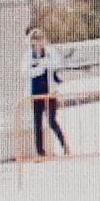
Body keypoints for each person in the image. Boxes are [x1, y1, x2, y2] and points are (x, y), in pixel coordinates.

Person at [23, 27, 69, 157]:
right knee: (37, 122)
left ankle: (65, 146)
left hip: (50, 91)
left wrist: (43, 64)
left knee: (52, 121)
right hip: (35, 92)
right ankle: (40, 152)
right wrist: (40, 67)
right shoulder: (28, 55)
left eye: (39, 39)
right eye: (34, 39)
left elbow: (56, 64)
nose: (37, 42)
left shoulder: (49, 52)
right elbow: (27, 71)